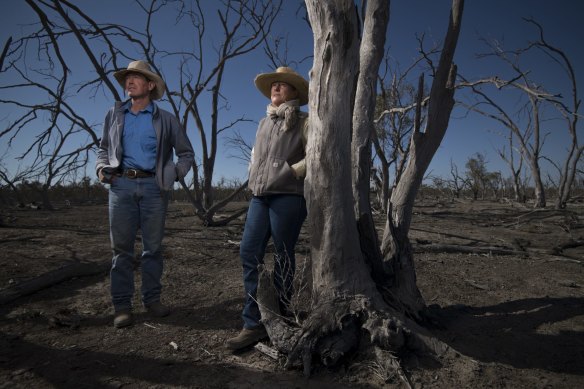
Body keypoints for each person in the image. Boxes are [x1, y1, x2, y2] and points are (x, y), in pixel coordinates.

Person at [96, 60, 194, 328]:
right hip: (121, 186)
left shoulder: (166, 120)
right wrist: (101, 169)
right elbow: (103, 149)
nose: (129, 81)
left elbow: (186, 153)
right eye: (127, 77)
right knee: (121, 250)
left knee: (152, 249)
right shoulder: (115, 114)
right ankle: (122, 306)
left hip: (154, 188)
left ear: (150, 85)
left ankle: (152, 300)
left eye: (136, 77)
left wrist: (174, 173)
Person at [226, 67, 309, 351]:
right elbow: (255, 158)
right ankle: (253, 322)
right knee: (249, 252)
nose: (276, 87)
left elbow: (316, 156)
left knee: (283, 256)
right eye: (274, 84)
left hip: (289, 196)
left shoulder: (306, 121)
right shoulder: (263, 122)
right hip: (259, 197)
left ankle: (280, 316)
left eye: (283, 85)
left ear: (295, 92)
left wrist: (290, 171)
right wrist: (254, 175)